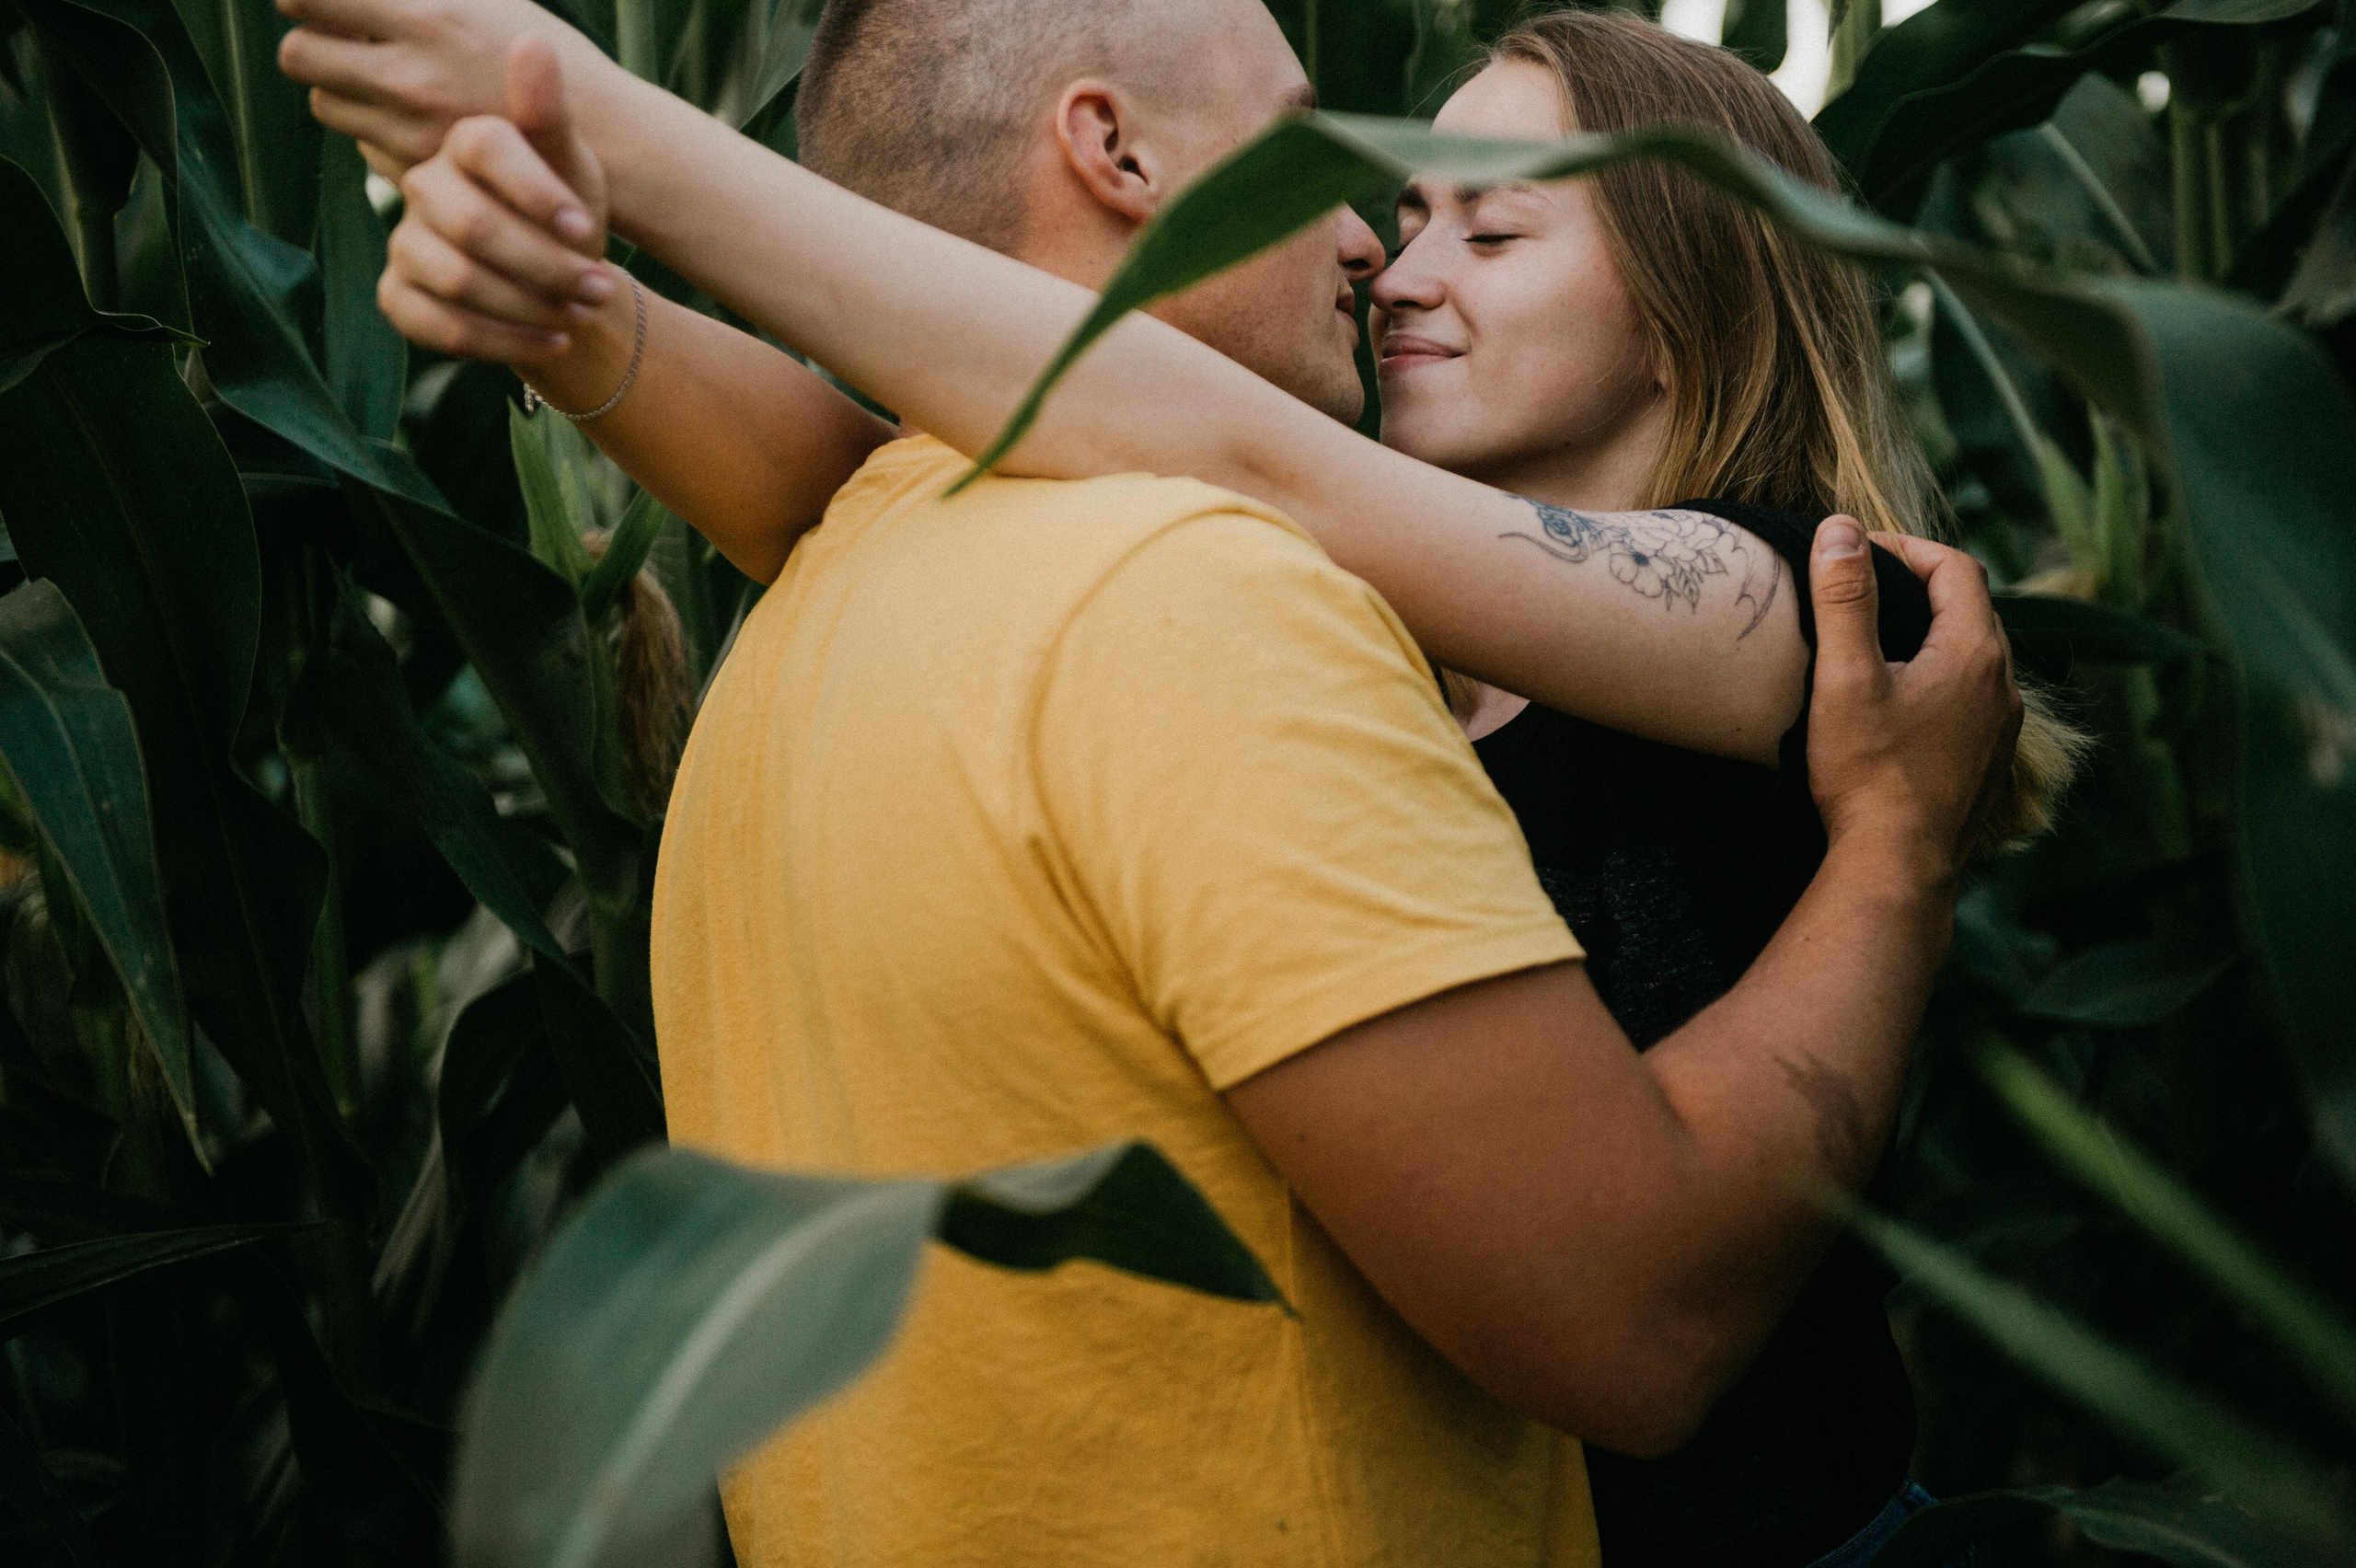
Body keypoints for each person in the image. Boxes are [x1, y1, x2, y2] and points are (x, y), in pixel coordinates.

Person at [281, 2, 2032, 1563]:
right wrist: (595, 328)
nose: (1393, 266)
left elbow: (1212, 442)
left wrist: (608, 130)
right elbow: (861, 486)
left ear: (1692, 305)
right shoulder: (1359, 600)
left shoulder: (1804, 600)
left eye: (1493, 232)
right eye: (1403, 212)